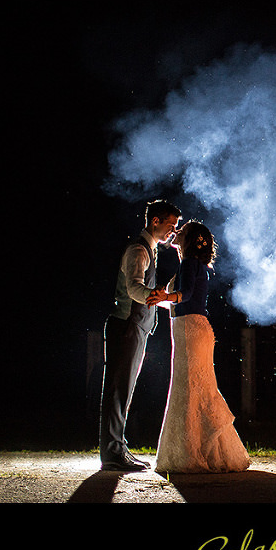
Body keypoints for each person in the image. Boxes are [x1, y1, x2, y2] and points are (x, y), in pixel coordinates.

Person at [149, 220, 250, 473]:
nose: (175, 233)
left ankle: (190, 453)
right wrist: (160, 300)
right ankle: (211, 450)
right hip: (194, 326)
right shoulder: (195, 264)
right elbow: (182, 299)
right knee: (199, 386)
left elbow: (187, 295)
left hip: (190, 329)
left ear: (190, 239)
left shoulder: (189, 263)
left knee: (189, 387)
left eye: (180, 231)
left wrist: (165, 296)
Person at [99, 199, 182, 472]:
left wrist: (161, 297)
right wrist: (155, 296)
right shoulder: (138, 250)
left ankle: (117, 448)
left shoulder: (149, 249)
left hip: (135, 326)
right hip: (127, 325)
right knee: (118, 389)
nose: (173, 231)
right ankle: (112, 453)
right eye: (170, 225)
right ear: (154, 221)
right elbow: (134, 289)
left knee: (125, 389)